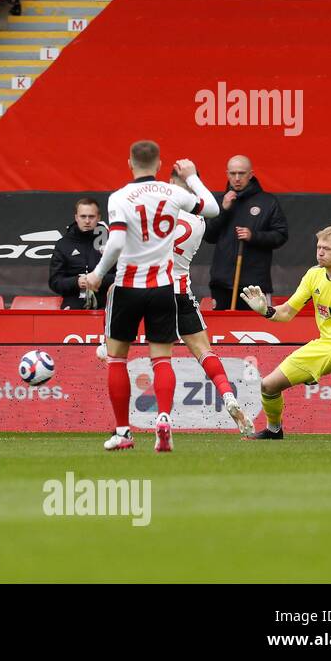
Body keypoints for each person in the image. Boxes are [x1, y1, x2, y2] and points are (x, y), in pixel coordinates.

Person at [85, 141, 219, 452]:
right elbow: (211, 209)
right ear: (159, 165)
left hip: (128, 285)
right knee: (161, 359)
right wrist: (194, 176)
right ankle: (163, 419)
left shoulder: (120, 197)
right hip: (162, 287)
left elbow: (116, 242)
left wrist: (96, 274)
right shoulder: (172, 192)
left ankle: (123, 432)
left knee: (118, 359)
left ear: (129, 163)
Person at [242, 226, 331, 441]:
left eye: (326, 248)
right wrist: (265, 310)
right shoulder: (313, 274)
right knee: (268, 385)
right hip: (325, 345)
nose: (320, 253)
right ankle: (274, 429)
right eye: (318, 247)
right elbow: (287, 313)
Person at [166, 168, 252, 436]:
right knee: (204, 352)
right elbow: (210, 209)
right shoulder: (199, 222)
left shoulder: (156, 216)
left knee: (157, 356)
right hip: (180, 293)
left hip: (151, 289)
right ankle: (228, 394)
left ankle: (160, 418)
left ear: (169, 185)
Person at [204, 155, 289, 310]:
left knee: (255, 326)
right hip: (221, 283)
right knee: (223, 329)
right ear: (227, 174)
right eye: (233, 173)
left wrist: (254, 236)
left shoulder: (267, 201)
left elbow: (281, 235)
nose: (237, 178)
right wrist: (224, 210)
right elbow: (208, 235)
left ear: (250, 174)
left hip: (255, 285)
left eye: (242, 173)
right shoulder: (219, 201)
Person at [48, 198, 110, 309]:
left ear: (99, 218)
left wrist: (99, 279)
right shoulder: (63, 244)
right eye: (83, 216)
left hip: (106, 305)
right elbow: (55, 282)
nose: (87, 221)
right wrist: (76, 282)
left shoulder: (110, 242)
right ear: (76, 217)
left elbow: (123, 275)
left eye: (91, 216)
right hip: (73, 306)